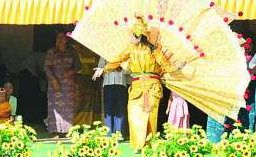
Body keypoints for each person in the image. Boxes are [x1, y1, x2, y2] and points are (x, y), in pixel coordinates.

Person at [96, 19, 177, 147]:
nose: (130, 38)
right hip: (137, 87)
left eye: (132, 36)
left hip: (152, 86)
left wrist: (177, 68)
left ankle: (149, 144)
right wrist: (104, 69)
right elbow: (118, 60)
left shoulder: (154, 50)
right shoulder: (132, 49)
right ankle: (138, 144)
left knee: (150, 116)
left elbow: (166, 65)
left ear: (138, 37)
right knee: (133, 115)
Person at [44, 33, 79, 135]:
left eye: (62, 37)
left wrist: (70, 71)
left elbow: (78, 66)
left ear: (67, 39)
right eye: (58, 37)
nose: (59, 39)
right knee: (54, 108)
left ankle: (68, 130)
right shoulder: (52, 51)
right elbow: (46, 67)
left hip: (68, 86)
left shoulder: (72, 51)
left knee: (68, 109)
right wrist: (54, 81)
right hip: (54, 85)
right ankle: (55, 131)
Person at [93, 53, 130, 139]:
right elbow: (100, 68)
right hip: (108, 84)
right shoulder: (104, 53)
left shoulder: (124, 54)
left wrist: (121, 68)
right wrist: (109, 68)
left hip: (121, 84)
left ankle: (119, 134)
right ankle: (109, 134)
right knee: (108, 110)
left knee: (120, 110)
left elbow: (129, 70)